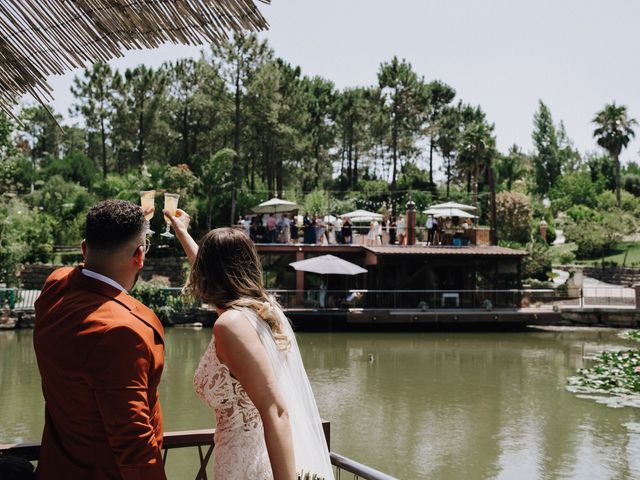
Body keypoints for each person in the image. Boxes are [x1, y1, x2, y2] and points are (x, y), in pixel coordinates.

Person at [165, 210, 334, 480]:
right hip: (244, 458)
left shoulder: (230, 325)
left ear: (206, 274)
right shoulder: (264, 310)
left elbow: (276, 411)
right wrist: (182, 233)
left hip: (249, 468)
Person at [33, 200, 166, 480]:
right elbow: (134, 442)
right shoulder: (122, 331)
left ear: (84, 248)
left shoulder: (55, 286)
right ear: (139, 256)